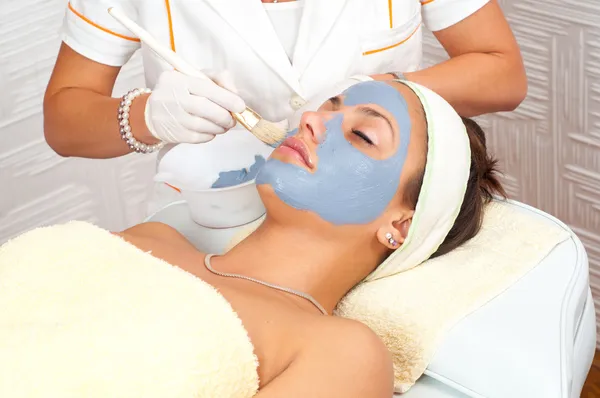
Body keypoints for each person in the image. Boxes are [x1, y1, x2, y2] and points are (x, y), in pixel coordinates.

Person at [5, 80, 507, 396]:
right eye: (329, 107)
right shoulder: (153, 237)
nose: (313, 119)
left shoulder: (340, 352)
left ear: (399, 225)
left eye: (362, 135)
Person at [43, 0, 523, 214]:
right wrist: (145, 115)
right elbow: (64, 120)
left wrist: (379, 90)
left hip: (359, 214)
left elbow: (503, 72)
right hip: (205, 211)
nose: (313, 120)